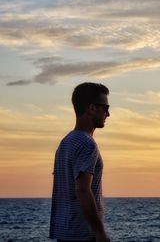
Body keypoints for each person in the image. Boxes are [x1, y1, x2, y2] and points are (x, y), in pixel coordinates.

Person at [50, 82, 111, 242]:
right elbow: (83, 190)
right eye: (105, 107)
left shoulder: (65, 143)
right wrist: (100, 233)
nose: (108, 114)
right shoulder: (87, 143)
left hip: (64, 233)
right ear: (92, 108)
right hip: (82, 234)